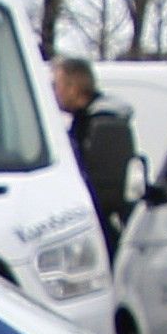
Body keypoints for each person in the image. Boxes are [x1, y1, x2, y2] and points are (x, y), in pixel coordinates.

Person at [53, 54, 138, 252]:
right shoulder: (85, 122)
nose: (54, 92)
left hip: (99, 230)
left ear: (73, 87)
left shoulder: (103, 126)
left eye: (57, 85)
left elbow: (103, 189)